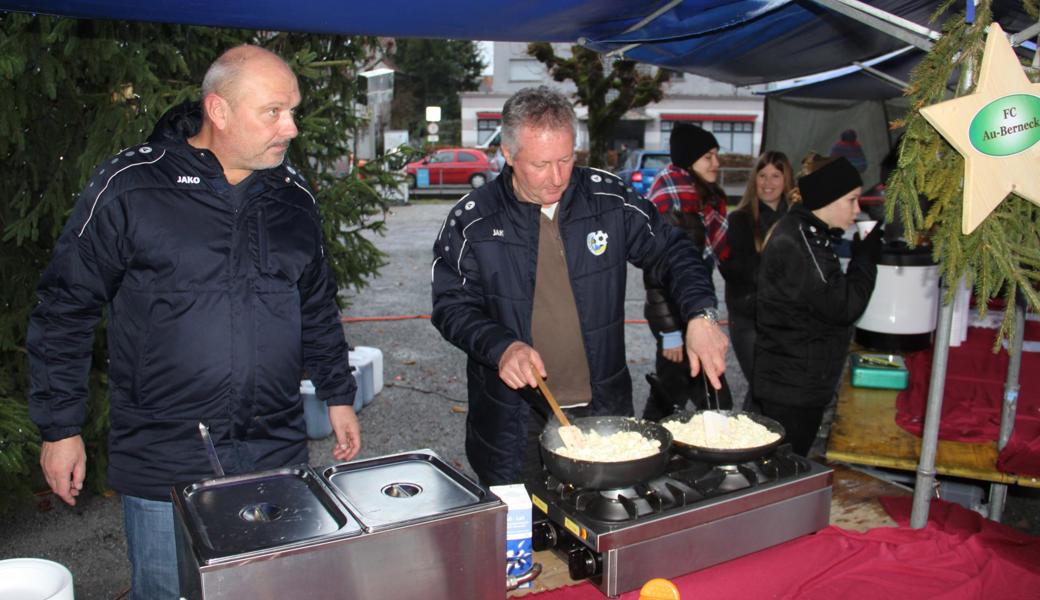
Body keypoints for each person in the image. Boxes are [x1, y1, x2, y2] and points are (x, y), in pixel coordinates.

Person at [27, 45, 361, 600]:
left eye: (294, 111)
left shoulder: (293, 196)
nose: (292, 128)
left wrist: (339, 393)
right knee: (167, 593)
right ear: (219, 110)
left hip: (273, 455)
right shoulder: (132, 186)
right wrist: (60, 428)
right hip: (167, 462)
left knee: (270, 591)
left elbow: (317, 305)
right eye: (274, 112)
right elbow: (66, 306)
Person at [430, 86, 728, 486]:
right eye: (541, 164)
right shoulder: (473, 219)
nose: (557, 178)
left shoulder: (608, 199)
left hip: (601, 410)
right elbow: (451, 305)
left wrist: (700, 314)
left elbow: (673, 251)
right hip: (513, 418)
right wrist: (501, 347)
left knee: (600, 527)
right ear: (508, 153)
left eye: (566, 159)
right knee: (523, 535)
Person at [753, 156, 882, 456]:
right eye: (851, 200)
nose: (857, 209)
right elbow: (845, 305)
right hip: (792, 387)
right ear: (829, 198)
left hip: (798, 381)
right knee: (782, 469)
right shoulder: (802, 240)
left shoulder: (811, 233)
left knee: (782, 464)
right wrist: (866, 257)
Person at [641, 123, 732, 420]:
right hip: (679, 324)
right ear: (688, 161)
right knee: (704, 400)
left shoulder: (699, 198)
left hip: (690, 317)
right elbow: (656, 277)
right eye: (708, 157)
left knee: (672, 397)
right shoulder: (673, 202)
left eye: (716, 155)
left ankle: (653, 448)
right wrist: (669, 333)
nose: (716, 164)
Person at [718, 151, 795, 412]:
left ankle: (757, 445)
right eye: (762, 175)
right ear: (754, 180)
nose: (768, 182)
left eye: (776, 175)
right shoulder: (740, 220)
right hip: (750, 320)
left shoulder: (797, 219)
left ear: (787, 180)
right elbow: (744, 273)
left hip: (787, 321)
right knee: (763, 387)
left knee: (772, 391)